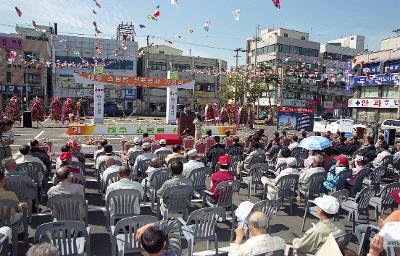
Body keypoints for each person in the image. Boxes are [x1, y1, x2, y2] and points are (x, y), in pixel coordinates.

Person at [0, 170, 28, 246]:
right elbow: (17, 209)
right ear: (1, 181)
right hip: (9, 220)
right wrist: (21, 205)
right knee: (22, 210)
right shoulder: (10, 194)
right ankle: (21, 231)